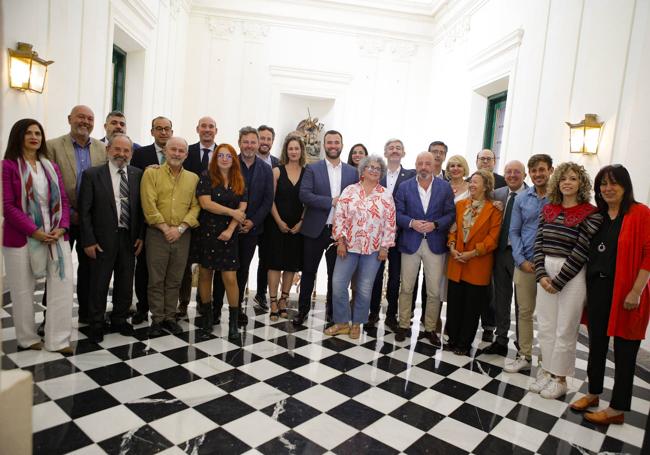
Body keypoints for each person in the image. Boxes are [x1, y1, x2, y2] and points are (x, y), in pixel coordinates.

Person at [569, 165, 649, 425]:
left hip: (627, 292)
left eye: (613, 183)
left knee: (625, 351)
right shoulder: (598, 215)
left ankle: (617, 408)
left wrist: (636, 290)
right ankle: (593, 393)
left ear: (625, 186)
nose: (607, 188)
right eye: (603, 184)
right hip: (598, 289)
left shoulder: (640, 213)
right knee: (597, 346)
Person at [2, 119, 73, 354]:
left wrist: (62, 228)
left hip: (55, 235)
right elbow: (8, 206)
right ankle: (27, 338)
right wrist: (35, 231)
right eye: (29, 133)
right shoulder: (8, 166)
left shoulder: (50, 166)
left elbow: (63, 199)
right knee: (23, 290)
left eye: (38, 133)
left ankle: (58, 340)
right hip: (22, 237)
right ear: (18, 136)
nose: (35, 137)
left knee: (62, 286)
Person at [532, 162, 602, 399]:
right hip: (546, 270)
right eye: (563, 179)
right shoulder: (549, 209)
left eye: (572, 178)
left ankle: (561, 379)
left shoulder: (590, 214)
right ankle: (548, 372)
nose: (567, 182)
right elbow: (538, 242)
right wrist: (541, 275)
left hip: (572, 274)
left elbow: (582, 249)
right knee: (546, 326)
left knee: (565, 328)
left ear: (581, 183)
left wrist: (558, 281)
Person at [78, 134, 144, 343]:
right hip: (101, 239)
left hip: (129, 238)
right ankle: (96, 323)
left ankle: (119, 319)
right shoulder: (92, 174)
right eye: (117, 149)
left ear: (131, 154)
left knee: (125, 282)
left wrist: (141, 236)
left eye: (126, 151)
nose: (121, 154)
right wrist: (88, 240)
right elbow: (84, 211)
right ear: (108, 150)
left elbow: (142, 209)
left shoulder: (137, 174)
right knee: (99, 282)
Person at [47, 105, 106, 324]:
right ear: (70, 118)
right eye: (81, 117)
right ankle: (50, 317)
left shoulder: (102, 149)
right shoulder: (52, 146)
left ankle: (87, 314)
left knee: (90, 270)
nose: (85, 122)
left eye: (90, 118)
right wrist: (68, 214)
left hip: (91, 222)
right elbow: (47, 185)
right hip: (61, 220)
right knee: (57, 269)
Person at [326, 155, 396, 339]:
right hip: (348, 247)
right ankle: (341, 322)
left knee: (365, 288)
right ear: (363, 170)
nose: (373, 170)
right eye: (370, 167)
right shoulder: (349, 191)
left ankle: (357, 323)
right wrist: (340, 241)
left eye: (377, 168)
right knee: (338, 284)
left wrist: (385, 247)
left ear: (381, 173)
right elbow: (339, 217)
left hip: (373, 251)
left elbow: (390, 222)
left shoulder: (386, 195)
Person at [293, 130, 359, 326]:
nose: (332, 146)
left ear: (341, 145)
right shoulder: (313, 169)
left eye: (336, 142)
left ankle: (332, 313)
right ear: (324, 145)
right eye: (329, 142)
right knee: (308, 272)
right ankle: (302, 311)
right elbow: (304, 195)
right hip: (315, 230)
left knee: (335, 276)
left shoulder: (352, 172)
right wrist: (331, 201)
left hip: (339, 234)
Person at [212, 127, 273, 326]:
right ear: (239, 143)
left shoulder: (266, 169)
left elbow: (267, 200)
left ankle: (235, 310)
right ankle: (215, 311)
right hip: (227, 227)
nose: (249, 145)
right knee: (223, 270)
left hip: (251, 229)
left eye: (252, 142)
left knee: (242, 270)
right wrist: (235, 221)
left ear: (257, 144)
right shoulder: (229, 163)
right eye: (245, 142)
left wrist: (252, 221)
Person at [140, 136, 200, 337]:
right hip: (157, 234)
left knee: (175, 279)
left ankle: (170, 317)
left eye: (180, 150)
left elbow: (195, 206)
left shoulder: (193, 178)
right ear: (165, 151)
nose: (176, 153)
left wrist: (180, 229)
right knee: (156, 279)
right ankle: (157, 319)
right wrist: (166, 229)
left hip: (182, 235)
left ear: (186, 154)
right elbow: (149, 205)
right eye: (172, 149)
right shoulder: (151, 173)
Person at [393, 151, 455, 344]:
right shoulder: (404, 187)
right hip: (410, 242)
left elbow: (450, 213)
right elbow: (397, 213)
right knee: (407, 287)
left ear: (434, 165)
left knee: (434, 291)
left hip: (435, 244)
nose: (423, 167)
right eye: (420, 163)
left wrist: (435, 224)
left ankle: (429, 329)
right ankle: (403, 324)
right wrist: (411, 223)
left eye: (427, 163)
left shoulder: (445, 187)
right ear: (416, 165)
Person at [504, 154, 553, 373]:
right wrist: (520, 259)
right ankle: (524, 355)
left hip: (550, 266)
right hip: (525, 264)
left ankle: (547, 362)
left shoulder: (559, 197)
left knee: (547, 316)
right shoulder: (522, 198)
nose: (538, 174)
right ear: (529, 174)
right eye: (534, 171)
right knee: (524, 312)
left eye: (542, 170)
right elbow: (514, 231)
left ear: (550, 170)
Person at [194, 144, 247, 340]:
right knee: (205, 275)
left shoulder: (239, 180)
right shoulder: (206, 176)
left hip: (229, 235)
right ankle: (207, 320)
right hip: (207, 234)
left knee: (230, 279)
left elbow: (242, 209)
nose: (224, 158)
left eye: (229, 156)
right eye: (221, 155)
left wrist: (231, 229)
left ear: (234, 159)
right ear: (215, 158)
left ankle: (233, 323)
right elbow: (205, 203)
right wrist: (231, 211)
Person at [445, 169, 502, 356]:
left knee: (471, 308)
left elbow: (493, 239)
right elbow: (453, 230)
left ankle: (464, 343)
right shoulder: (461, 205)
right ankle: (451, 339)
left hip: (477, 264)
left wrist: (472, 253)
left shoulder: (494, 209)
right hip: (456, 262)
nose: (471, 185)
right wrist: (452, 246)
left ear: (486, 186)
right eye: (470, 182)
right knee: (454, 305)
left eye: (476, 182)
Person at [130, 116, 173, 325]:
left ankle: (166, 312)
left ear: (172, 132)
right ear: (152, 131)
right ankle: (142, 308)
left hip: (173, 224)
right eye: (159, 129)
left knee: (169, 271)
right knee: (144, 269)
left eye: (167, 129)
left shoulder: (179, 153)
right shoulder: (140, 154)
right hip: (148, 223)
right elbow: (135, 192)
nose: (163, 132)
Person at [369, 139, 415, 330]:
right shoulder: (376, 174)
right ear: (385, 153)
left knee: (396, 277)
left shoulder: (411, 176)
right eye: (391, 148)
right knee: (375, 275)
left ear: (403, 153)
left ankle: (391, 315)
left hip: (401, 235)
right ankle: (372, 313)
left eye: (398, 148)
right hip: (376, 235)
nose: (394, 151)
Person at [483, 160, 527, 356]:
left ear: (524, 175)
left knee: (522, 302)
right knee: (501, 298)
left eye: (516, 172)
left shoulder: (532, 196)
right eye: (508, 172)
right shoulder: (498, 194)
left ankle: (522, 345)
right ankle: (500, 339)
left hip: (522, 255)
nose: (512, 175)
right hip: (500, 252)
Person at [178, 116, 218, 317]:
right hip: (188, 215)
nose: (207, 130)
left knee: (208, 263)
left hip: (214, 219)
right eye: (204, 126)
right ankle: (183, 303)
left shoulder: (223, 154)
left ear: (216, 131)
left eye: (211, 127)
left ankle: (206, 303)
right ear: (197, 129)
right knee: (185, 262)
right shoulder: (188, 152)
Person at [266, 135, 306, 320]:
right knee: (274, 264)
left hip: (297, 227)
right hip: (276, 226)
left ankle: (284, 299)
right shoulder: (277, 171)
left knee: (291, 265)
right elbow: (270, 200)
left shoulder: (308, 173)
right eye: (290, 148)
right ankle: (273, 301)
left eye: (297, 148)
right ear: (286, 150)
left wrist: (302, 222)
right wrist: (278, 221)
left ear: (301, 151)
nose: (294, 151)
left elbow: (308, 203)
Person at [253, 124, 280, 312]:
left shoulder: (278, 163)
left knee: (266, 259)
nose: (265, 142)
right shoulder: (246, 160)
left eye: (268, 139)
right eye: (261, 138)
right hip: (248, 218)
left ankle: (260, 293)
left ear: (272, 141)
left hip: (269, 220)